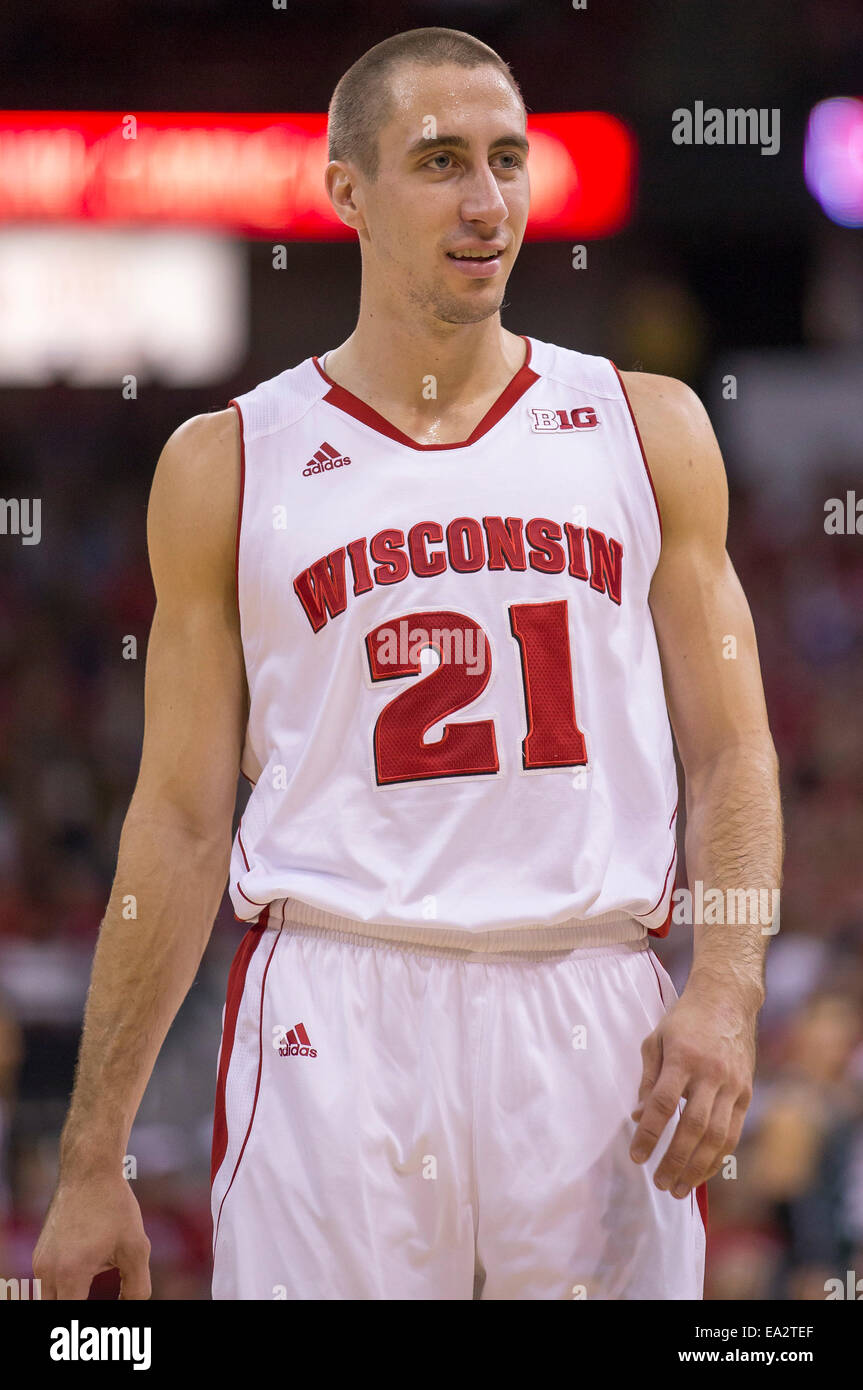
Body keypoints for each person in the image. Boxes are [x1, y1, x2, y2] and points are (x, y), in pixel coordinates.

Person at [33, 27, 782, 1301]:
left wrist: (724, 989)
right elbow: (173, 819)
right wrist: (91, 1154)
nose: (485, 202)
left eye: (505, 159)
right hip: (338, 1007)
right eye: (438, 161)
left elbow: (729, 753)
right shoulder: (227, 464)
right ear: (343, 191)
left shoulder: (647, 429)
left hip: (591, 1001)